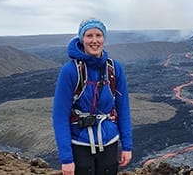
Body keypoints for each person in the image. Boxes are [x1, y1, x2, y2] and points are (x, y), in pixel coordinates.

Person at [53, 18, 133, 175]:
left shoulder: (114, 69)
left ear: (104, 38)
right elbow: (60, 117)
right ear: (82, 39)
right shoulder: (70, 71)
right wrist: (67, 159)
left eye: (98, 35)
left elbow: (123, 109)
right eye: (89, 36)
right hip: (80, 145)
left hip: (109, 143)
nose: (94, 40)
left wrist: (127, 146)